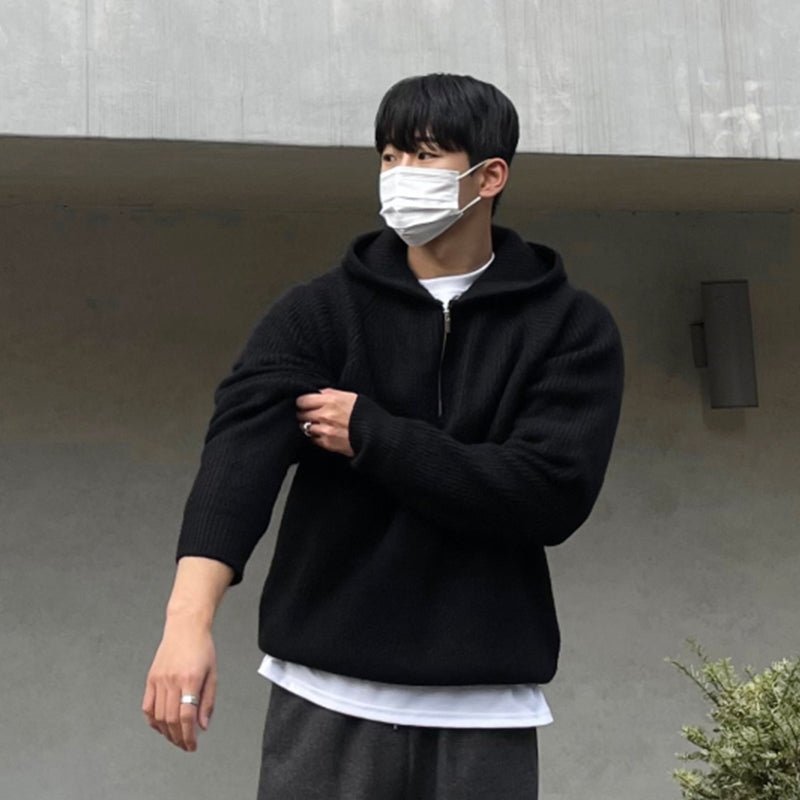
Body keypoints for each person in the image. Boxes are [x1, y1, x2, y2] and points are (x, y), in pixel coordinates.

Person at [142, 73, 625, 799]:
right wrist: (187, 624)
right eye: (389, 157)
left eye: (424, 156)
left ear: (489, 176)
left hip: (483, 709)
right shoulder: (317, 313)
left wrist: (373, 433)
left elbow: (547, 495)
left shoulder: (570, 329)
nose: (400, 175)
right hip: (321, 694)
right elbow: (237, 467)